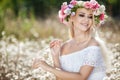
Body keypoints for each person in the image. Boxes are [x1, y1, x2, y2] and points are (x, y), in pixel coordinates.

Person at [32, 0, 108, 80]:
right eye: (82, 15)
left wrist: (48, 67)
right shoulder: (65, 46)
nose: (86, 20)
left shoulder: (94, 44)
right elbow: (60, 78)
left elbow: (82, 77)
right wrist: (55, 57)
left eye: (90, 16)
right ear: (72, 17)